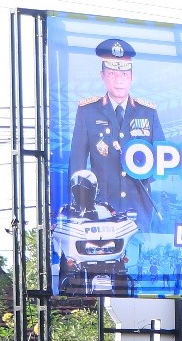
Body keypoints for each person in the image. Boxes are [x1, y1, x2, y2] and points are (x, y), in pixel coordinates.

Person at [68, 39, 163, 223]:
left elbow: (162, 159)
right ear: (102, 76)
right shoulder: (88, 111)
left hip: (138, 206)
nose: (119, 80)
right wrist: (80, 205)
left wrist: (142, 173)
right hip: (100, 208)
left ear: (132, 77)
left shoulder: (148, 112)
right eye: (112, 73)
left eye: (124, 74)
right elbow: (77, 166)